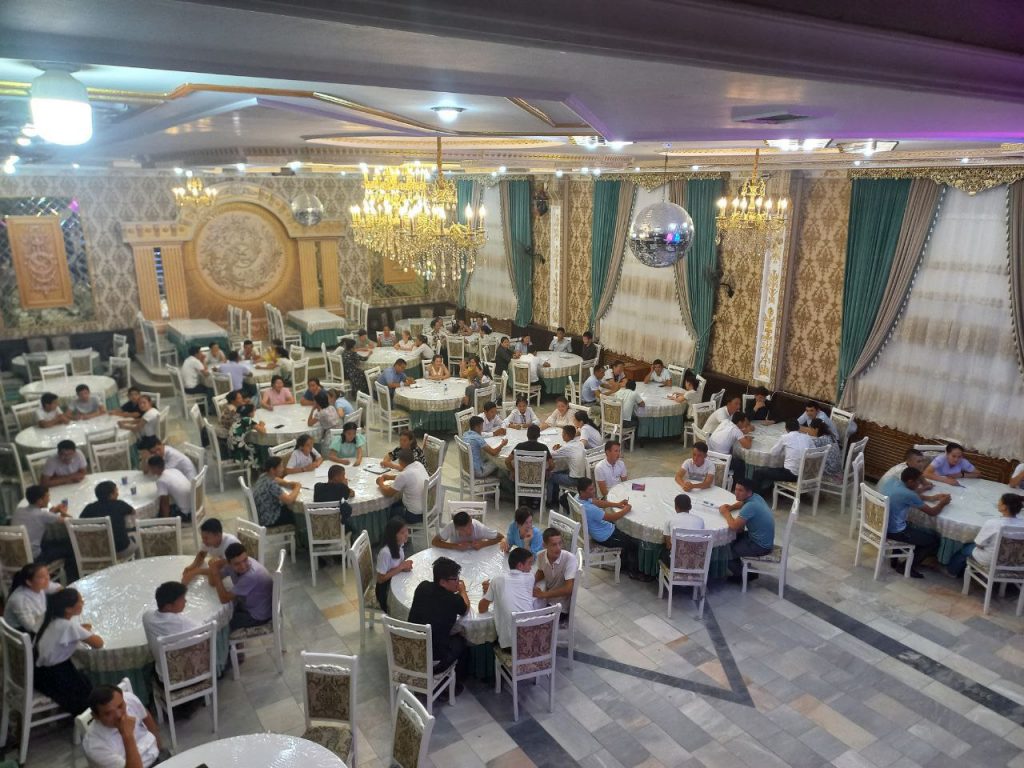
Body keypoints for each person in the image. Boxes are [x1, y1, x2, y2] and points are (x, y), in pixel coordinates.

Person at [34, 588, 103, 714]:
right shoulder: (68, 626)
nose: (83, 603)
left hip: (39, 673)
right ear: (68, 609)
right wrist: (83, 631)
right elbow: (98, 643)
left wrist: (80, 630)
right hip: (55, 676)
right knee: (88, 695)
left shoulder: (49, 617)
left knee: (85, 682)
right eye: (80, 601)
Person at [407, 556, 470, 686]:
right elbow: (466, 608)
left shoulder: (422, 586)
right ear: (442, 582)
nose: (458, 582)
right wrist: (463, 591)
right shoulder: (453, 600)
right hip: (434, 659)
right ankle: (455, 683)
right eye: (455, 579)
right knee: (461, 640)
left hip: (410, 648)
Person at [879, 466, 949, 578]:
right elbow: (932, 512)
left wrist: (932, 497)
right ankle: (906, 566)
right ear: (910, 481)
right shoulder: (909, 494)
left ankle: (895, 559)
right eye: (918, 482)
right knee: (933, 540)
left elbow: (909, 495)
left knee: (922, 531)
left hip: (881, 524)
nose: (920, 484)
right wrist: (943, 503)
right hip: (896, 531)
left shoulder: (892, 481)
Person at [83, 683, 167, 768]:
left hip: (157, 754)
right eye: (108, 713)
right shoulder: (94, 745)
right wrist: (128, 736)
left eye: (120, 706)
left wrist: (159, 746)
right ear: (96, 716)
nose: (119, 715)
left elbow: (146, 716)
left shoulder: (129, 699)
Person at [576, 477, 644, 578]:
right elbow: (613, 517)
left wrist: (617, 504)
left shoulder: (578, 498)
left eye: (593, 487)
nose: (594, 491)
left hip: (600, 530)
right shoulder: (590, 509)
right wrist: (626, 509)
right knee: (634, 543)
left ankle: (624, 561)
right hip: (605, 536)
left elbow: (597, 502)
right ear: (582, 492)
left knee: (626, 532)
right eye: (590, 489)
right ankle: (633, 572)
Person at [479, 547, 545, 648]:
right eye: (529, 564)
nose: (531, 568)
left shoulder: (497, 580)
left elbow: (481, 609)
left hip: (510, 645)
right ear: (520, 565)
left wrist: (489, 590)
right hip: (533, 641)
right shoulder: (530, 577)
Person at [947, 494, 1024, 578]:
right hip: (1017, 563)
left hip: (992, 561)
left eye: (1000, 502)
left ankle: (952, 572)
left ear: (1004, 507)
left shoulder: (993, 523)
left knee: (966, 548)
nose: (998, 504)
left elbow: (978, 544)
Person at [719, 478, 775, 582]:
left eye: (740, 490)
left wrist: (725, 512)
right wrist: (731, 507)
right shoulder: (756, 497)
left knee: (726, 551)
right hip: (761, 539)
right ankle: (739, 565)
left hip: (760, 545)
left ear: (749, 492)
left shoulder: (750, 506)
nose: (736, 492)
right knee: (731, 539)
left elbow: (734, 526)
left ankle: (743, 575)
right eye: (736, 489)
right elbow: (741, 503)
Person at [209, 542, 274, 629]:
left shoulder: (251, 576)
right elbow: (213, 582)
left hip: (258, 615)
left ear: (247, 556)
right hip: (248, 604)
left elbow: (224, 599)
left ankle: (231, 637)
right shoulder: (230, 565)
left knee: (221, 625)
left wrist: (214, 571)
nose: (243, 566)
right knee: (223, 614)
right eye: (237, 564)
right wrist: (214, 567)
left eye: (245, 560)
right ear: (229, 563)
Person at [13, 485, 72, 565]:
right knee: (70, 546)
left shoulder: (18, 511)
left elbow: (38, 516)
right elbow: (71, 522)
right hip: (35, 558)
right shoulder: (43, 515)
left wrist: (52, 512)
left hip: (17, 555)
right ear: (40, 501)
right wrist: (63, 512)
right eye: (47, 497)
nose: (49, 499)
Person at [141, 581, 200, 661]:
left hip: (161, 665)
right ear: (168, 606)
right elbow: (203, 630)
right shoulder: (181, 623)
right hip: (185, 664)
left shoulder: (147, 616)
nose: (185, 601)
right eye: (182, 599)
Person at [754, 419, 813, 498]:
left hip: (791, 475)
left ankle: (756, 497)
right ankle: (770, 490)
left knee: (758, 472)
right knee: (776, 469)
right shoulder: (807, 437)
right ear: (799, 428)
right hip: (805, 475)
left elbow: (773, 453)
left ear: (786, 429)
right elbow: (814, 452)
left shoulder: (785, 437)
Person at [80, 481, 137, 559]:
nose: (118, 494)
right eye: (116, 491)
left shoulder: (89, 508)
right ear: (111, 495)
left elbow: (79, 523)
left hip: (98, 552)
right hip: (121, 550)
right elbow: (133, 512)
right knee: (135, 537)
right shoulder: (120, 504)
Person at [533, 527, 578, 623]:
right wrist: (531, 582)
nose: (558, 548)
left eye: (560, 543)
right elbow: (541, 572)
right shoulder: (540, 556)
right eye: (554, 544)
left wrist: (543, 594)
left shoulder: (570, 559)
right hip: (547, 599)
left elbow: (568, 589)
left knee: (533, 620)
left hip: (561, 607)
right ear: (544, 545)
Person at [4, 562, 61, 634]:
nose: (47, 578)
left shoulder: (38, 585)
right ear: (29, 582)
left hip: (39, 620)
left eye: (47, 574)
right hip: (23, 632)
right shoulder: (20, 600)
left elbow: (57, 588)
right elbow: (32, 627)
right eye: (41, 577)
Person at [377, 448, 430, 523]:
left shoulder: (404, 475)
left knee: (388, 511)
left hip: (413, 515)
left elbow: (388, 493)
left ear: (400, 461)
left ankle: (391, 529)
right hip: (425, 510)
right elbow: (407, 478)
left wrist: (380, 483)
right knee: (395, 503)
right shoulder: (418, 464)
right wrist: (389, 477)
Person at [182, 518, 240, 584]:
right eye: (202, 538)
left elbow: (219, 569)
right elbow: (201, 555)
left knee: (212, 582)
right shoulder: (207, 542)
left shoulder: (230, 544)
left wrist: (195, 572)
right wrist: (191, 567)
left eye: (206, 538)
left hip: (236, 574)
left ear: (218, 535)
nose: (203, 541)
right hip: (223, 568)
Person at [376, 517, 412, 612]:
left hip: (394, 581)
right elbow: (380, 579)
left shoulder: (399, 544)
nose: (406, 534)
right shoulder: (385, 553)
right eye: (402, 533)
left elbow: (397, 566)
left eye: (406, 530)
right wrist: (401, 567)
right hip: (385, 590)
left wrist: (403, 567)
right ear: (393, 535)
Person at [252, 456, 300, 527]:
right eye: (280, 467)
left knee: (288, 507)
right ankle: (300, 532)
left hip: (263, 513)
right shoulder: (271, 484)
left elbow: (277, 479)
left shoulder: (264, 476)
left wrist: (288, 483)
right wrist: (297, 486)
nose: (283, 469)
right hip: (270, 519)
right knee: (297, 515)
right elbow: (289, 500)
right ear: (272, 470)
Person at [660, 494, 705, 566]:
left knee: (661, 550)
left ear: (675, 507)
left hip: (676, 563)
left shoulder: (669, 520)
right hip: (697, 563)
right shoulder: (700, 521)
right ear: (690, 507)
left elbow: (668, 545)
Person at [547, 424, 587, 504]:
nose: (562, 435)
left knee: (551, 476)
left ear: (566, 435)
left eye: (563, 433)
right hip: (582, 477)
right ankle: (555, 498)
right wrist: (561, 448)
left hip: (574, 480)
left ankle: (550, 501)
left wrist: (554, 449)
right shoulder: (580, 444)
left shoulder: (567, 447)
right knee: (560, 471)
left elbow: (550, 455)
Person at [707, 412, 753, 480]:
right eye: (744, 422)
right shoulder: (736, 430)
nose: (745, 424)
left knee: (732, 452)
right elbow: (748, 446)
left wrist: (743, 432)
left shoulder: (726, 421)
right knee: (741, 464)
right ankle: (736, 483)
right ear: (740, 422)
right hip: (721, 460)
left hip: (710, 455)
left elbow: (729, 431)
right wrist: (749, 439)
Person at [432, 510, 504, 550]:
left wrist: (483, 544)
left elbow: (501, 537)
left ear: (471, 521)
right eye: (463, 530)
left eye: (469, 527)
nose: (468, 532)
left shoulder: (480, 528)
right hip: (457, 556)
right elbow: (435, 541)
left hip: (477, 557)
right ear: (456, 528)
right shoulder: (451, 526)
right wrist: (455, 546)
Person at [226, 402, 264, 467]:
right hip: (239, 450)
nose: (254, 412)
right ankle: (257, 466)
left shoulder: (238, 417)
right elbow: (262, 431)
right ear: (250, 413)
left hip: (231, 447)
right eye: (254, 411)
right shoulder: (247, 420)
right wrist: (262, 424)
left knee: (252, 442)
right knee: (258, 447)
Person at [807, 417, 843, 483]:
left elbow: (808, 447)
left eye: (811, 429)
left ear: (816, 429)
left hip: (830, 471)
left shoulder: (821, 440)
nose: (810, 431)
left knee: (807, 461)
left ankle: (806, 481)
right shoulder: (831, 436)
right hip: (837, 469)